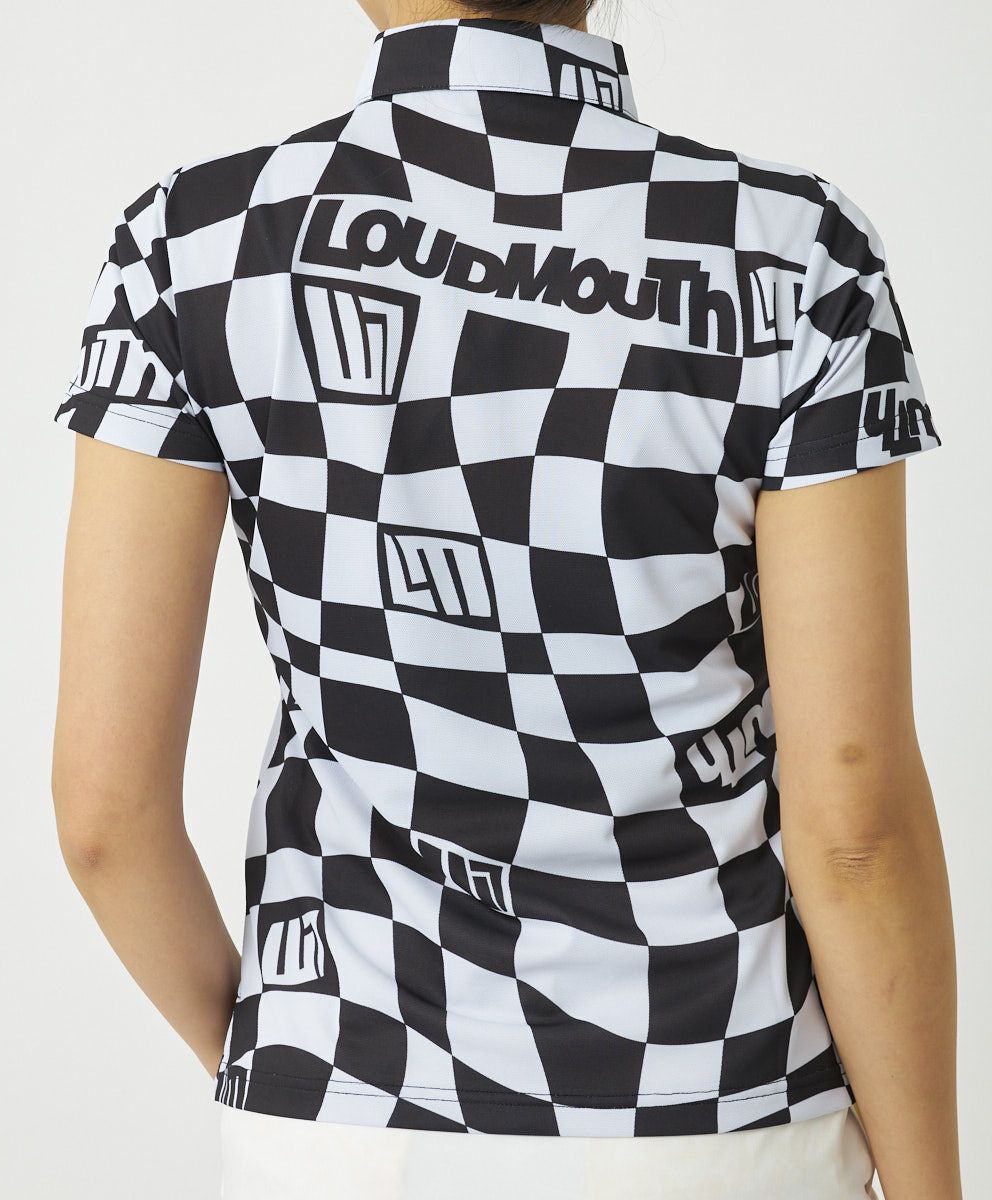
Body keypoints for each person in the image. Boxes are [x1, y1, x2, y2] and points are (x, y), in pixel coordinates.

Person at [49, 0, 962, 1197]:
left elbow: (104, 814)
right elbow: (855, 826)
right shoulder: (793, 255)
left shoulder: (194, 243)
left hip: (340, 1117)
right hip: (718, 1111)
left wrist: (292, 1060)